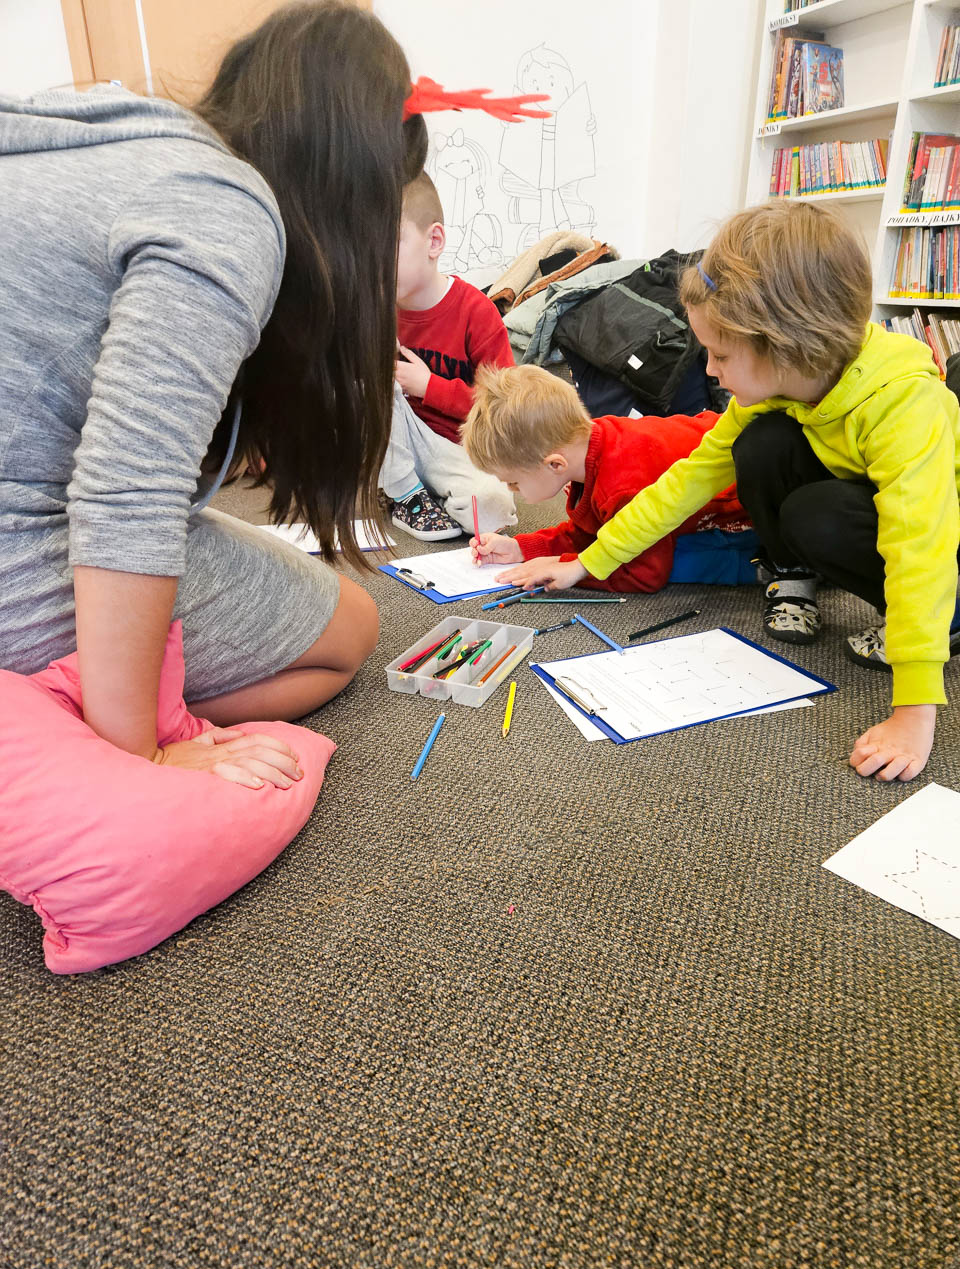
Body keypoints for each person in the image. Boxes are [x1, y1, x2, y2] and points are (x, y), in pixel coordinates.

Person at [0, 2, 430, 791]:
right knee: (350, 631)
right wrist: (142, 754)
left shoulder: (114, 138)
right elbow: (127, 495)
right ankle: (76, 737)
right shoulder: (221, 205)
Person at [503, 201, 960, 784]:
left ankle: (947, 621)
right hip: (869, 511)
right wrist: (585, 563)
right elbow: (685, 483)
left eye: (720, 355)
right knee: (761, 444)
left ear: (787, 346)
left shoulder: (904, 404)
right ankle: (792, 577)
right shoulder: (778, 388)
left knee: (816, 513)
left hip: (943, 550)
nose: (710, 372)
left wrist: (914, 710)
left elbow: (919, 547)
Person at [462, 365, 744, 591]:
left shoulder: (621, 486)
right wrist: (521, 548)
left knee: (677, 560)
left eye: (513, 482)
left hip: (747, 506)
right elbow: (594, 533)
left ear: (555, 464)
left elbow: (644, 575)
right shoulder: (587, 445)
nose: (511, 489)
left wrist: (568, 566)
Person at [385, 172, 517, 540]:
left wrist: (430, 387)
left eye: (389, 244)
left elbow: (505, 409)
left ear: (434, 241)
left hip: (457, 450)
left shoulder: (477, 313)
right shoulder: (377, 310)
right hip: (393, 442)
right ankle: (406, 494)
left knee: (492, 507)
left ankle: (415, 490)